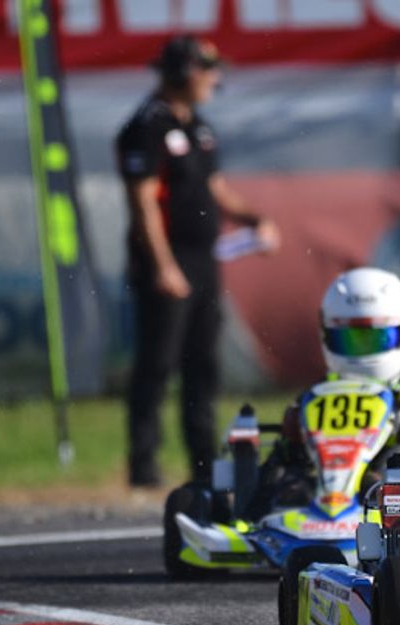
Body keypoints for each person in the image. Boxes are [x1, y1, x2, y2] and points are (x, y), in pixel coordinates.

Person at [117, 35, 280, 487]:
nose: (214, 79)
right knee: (157, 363)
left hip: (204, 261)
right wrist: (163, 266)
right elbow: (143, 203)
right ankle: (144, 466)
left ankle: (204, 466)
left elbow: (216, 188)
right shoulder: (146, 127)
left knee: (203, 364)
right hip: (166, 262)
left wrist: (255, 220)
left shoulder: (200, 128)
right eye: (208, 70)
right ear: (184, 72)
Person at [246, 268, 400, 518]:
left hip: (392, 501)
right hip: (323, 489)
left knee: (399, 457)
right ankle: (265, 521)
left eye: (375, 338)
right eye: (350, 339)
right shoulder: (319, 393)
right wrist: (292, 441)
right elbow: (285, 460)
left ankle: (386, 508)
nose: (362, 350)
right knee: (292, 474)